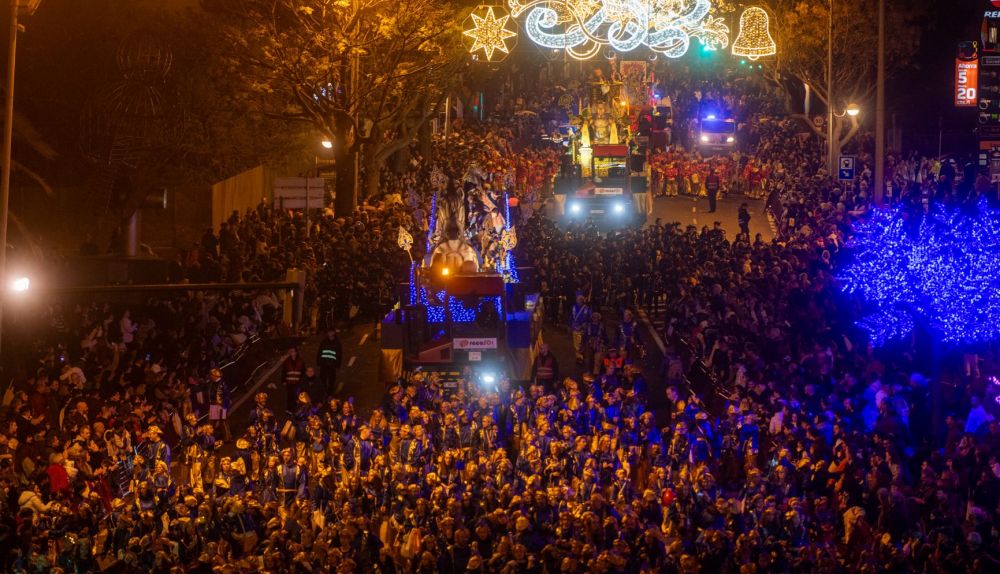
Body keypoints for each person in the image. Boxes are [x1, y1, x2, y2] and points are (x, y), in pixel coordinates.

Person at [317, 330, 343, 396]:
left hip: (332, 363)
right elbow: (320, 351)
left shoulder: (337, 343)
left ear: (334, 333)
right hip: (324, 363)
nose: (330, 333)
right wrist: (318, 361)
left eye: (331, 332)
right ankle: (324, 390)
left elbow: (339, 354)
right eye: (328, 332)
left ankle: (330, 390)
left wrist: (338, 364)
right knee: (322, 377)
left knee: (331, 378)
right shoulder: (324, 342)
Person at [569, 294, 591, 364]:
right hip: (576, 328)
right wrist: (570, 325)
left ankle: (582, 355)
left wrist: (586, 323)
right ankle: (579, 357)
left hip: (584, 329)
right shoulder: (573, 308)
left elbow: (590, 318)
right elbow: (571, 317)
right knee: (577, 344)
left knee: (583, 343)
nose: (580, 301)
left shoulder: (587, 308)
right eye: (579, 299)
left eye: (581, 299)